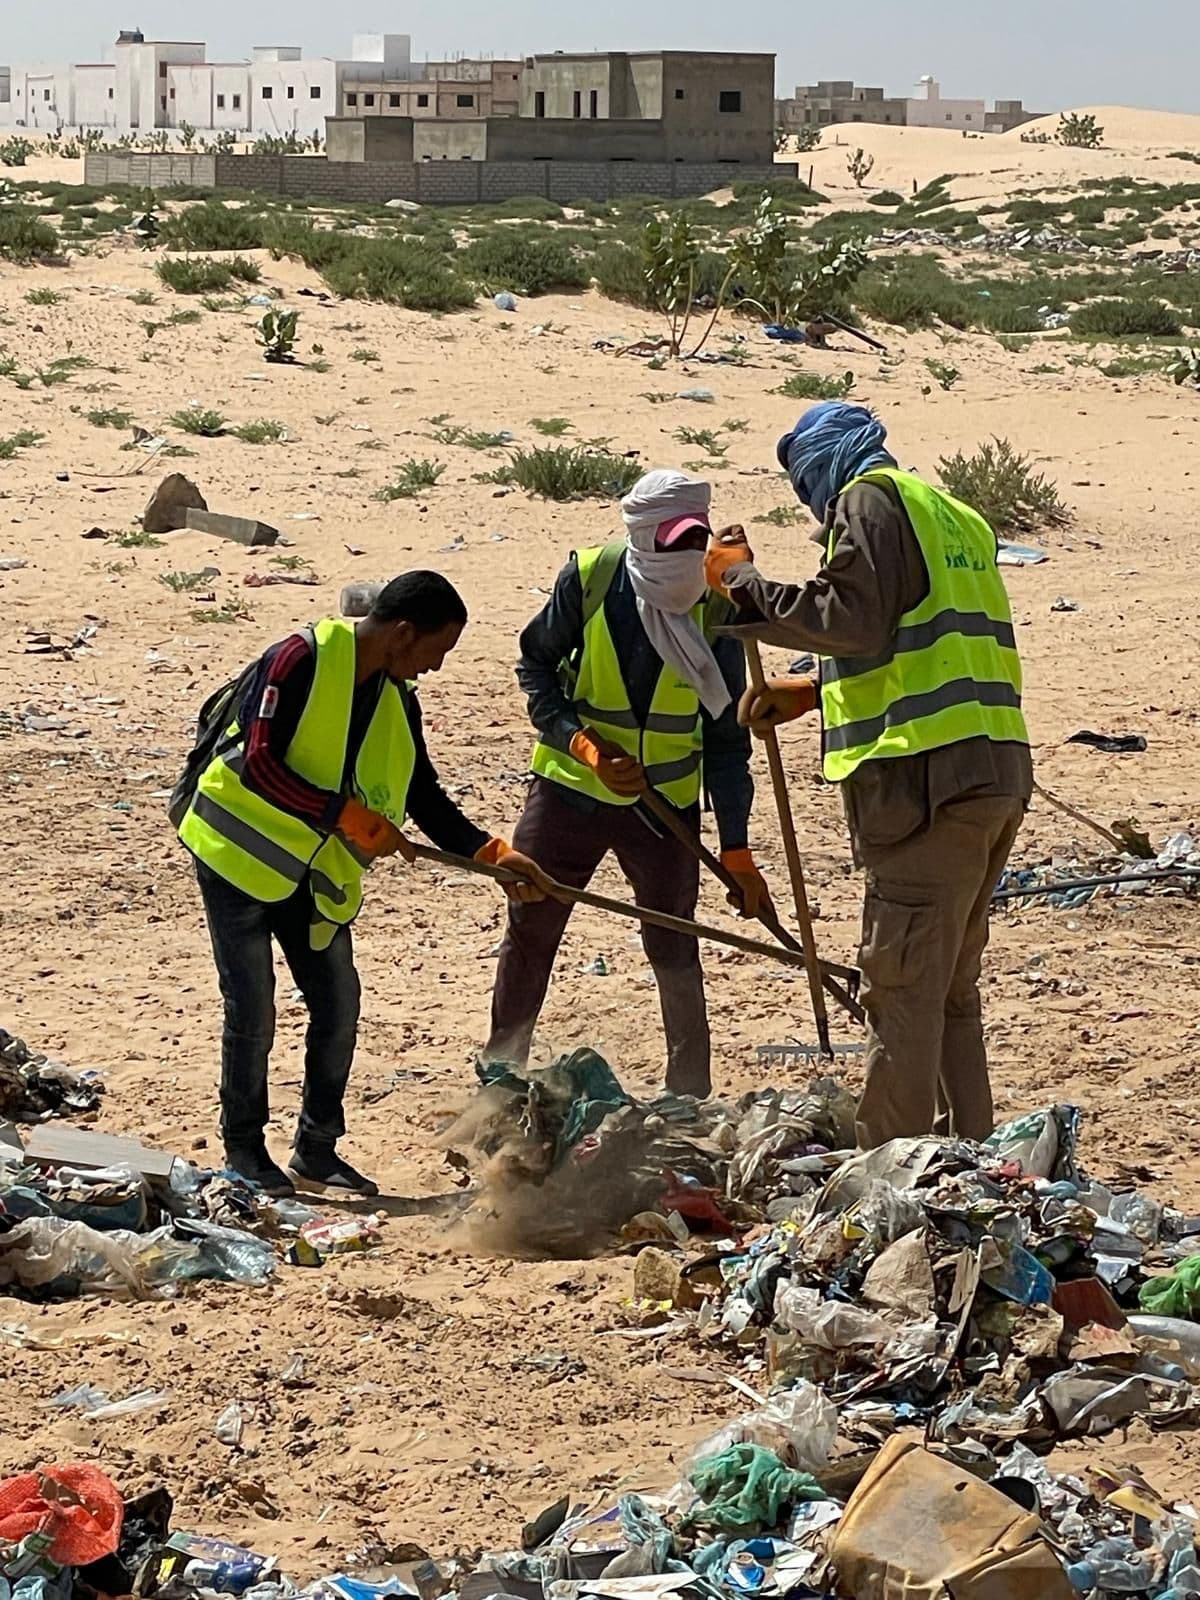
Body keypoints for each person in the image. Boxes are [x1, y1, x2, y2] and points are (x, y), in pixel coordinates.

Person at [705, 402, 1032, 1148]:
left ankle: (891, 1174)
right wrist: (814, 691)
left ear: (826, 465)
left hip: (925, 785)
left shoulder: (869, 500)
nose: (811, 504)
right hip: (993, 769)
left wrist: (743, 585)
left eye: (805, 485)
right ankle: (965, 1162)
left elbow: (851, 617)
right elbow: (923, 636)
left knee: (902, 993)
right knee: (948, 992)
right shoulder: (952, 513)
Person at [176, 571, 548, 1198]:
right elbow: (262, 761)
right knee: (253, 1008)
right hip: (237, 854)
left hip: (311, 873)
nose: (437, 666)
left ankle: (317, 1150)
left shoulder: (397, 699)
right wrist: (345, 816)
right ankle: (244, 1150)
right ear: (404, 634)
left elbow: (422, 793)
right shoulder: (297, 659)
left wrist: (492, 854)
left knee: (338, 1003)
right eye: (438, 650)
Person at [486, 469, 769, 1098]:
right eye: (670, 543)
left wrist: (738, 851)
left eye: (694, 543)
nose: (685, 557)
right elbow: (535, 668)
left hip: (664, 804)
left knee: (675, 942)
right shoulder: (590, 579)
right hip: (569, 791)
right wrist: (584, 745)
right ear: (641, 538)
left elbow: (728, 742)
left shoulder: (718, 602)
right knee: (532, 928)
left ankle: (687, 1096)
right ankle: (500, 1086)